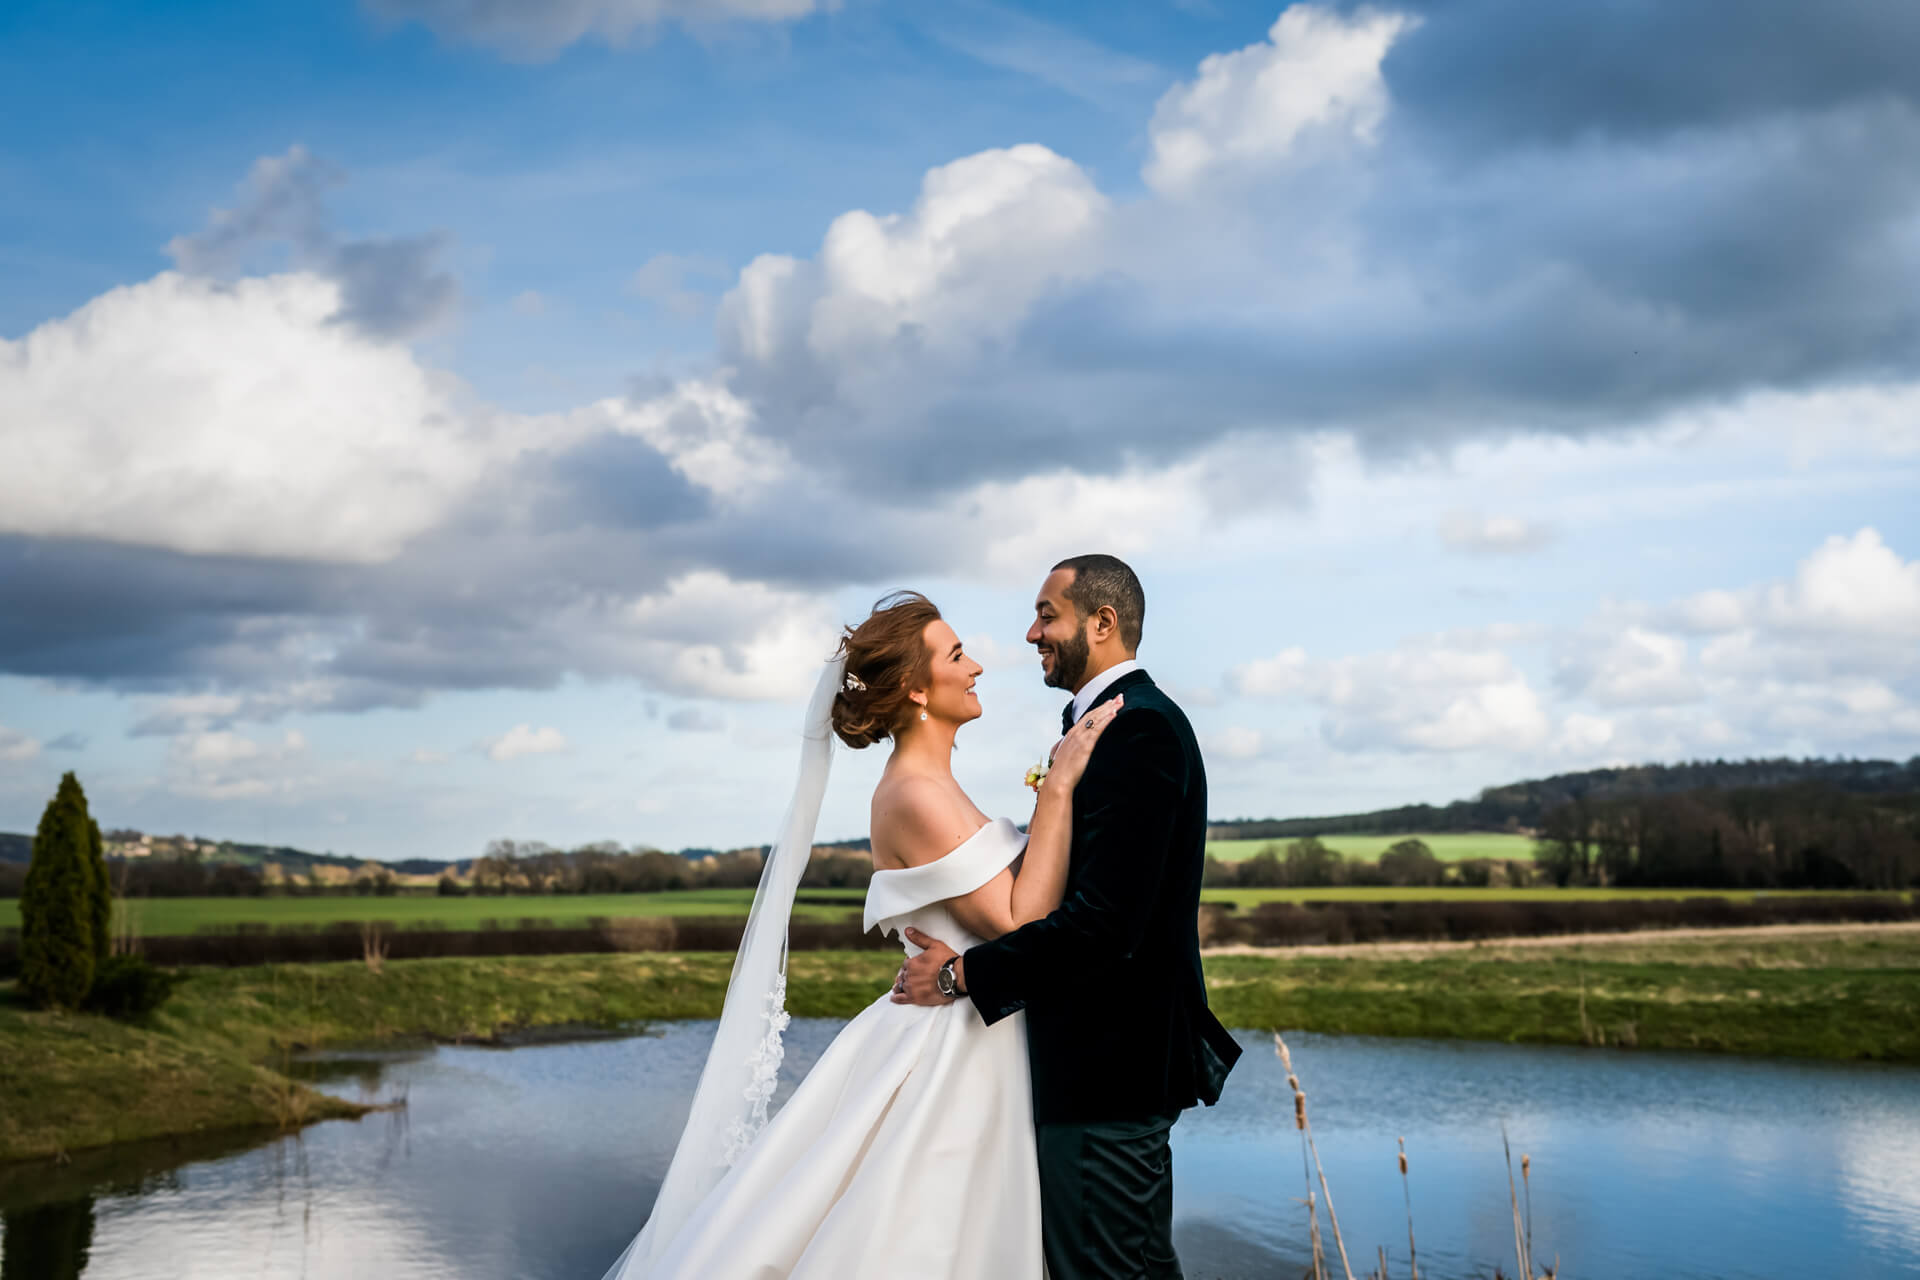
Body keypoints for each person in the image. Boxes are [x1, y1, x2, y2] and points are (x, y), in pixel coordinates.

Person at [601, 589, 1121, 1279]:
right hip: (951, 1054)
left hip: (978, 1030)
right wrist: (1057, 792)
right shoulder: (912, 795)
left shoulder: (937, 784)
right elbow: (1020, 922)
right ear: (915, 690)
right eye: (958, 655)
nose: (978, 668)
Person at [896, 554, 1242, 1280]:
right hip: (1109, 1070)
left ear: (1103, 622)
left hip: (1106, 1071)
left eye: (1047, 614)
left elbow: (1106, 925)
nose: (1030, 633)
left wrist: (960, 975)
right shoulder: (1107, 727)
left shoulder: (1138, 731)